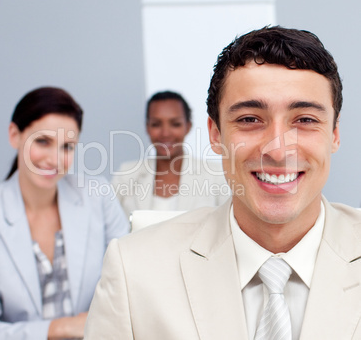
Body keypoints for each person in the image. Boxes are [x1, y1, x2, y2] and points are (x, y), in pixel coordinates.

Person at [84, 26, 361, 340]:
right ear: (215, 135)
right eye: (249, 119)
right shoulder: (133, 270)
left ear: (335, 134)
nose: (278, 149)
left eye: (305, 120)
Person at [0, 87, 129, 340]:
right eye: (42, 141)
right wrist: (62, 328)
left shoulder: (98, 196)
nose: (54, 159)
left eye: (67, 147)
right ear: (14, 135)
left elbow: (129, 286)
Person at [111, 90, 229, 217]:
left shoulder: (215, 175)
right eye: (156, 124)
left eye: (175, 124)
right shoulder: (127, 174)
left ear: (188, 126)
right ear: (147, 127)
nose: (165, 133)